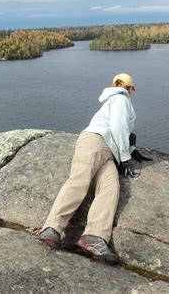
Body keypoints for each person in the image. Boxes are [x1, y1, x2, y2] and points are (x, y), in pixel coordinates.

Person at [38, 73, 138, 264]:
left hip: (109, 152)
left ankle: (94, 237)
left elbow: (120, 131)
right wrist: (126, 157)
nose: (133, 92)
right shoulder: (120, 98)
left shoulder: (113, 101)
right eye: (133, 89)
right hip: (95, 142)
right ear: (130, 88)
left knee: (110, 188)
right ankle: (51, 228)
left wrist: (130, 149)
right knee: (79, 182)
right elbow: (117, 127)